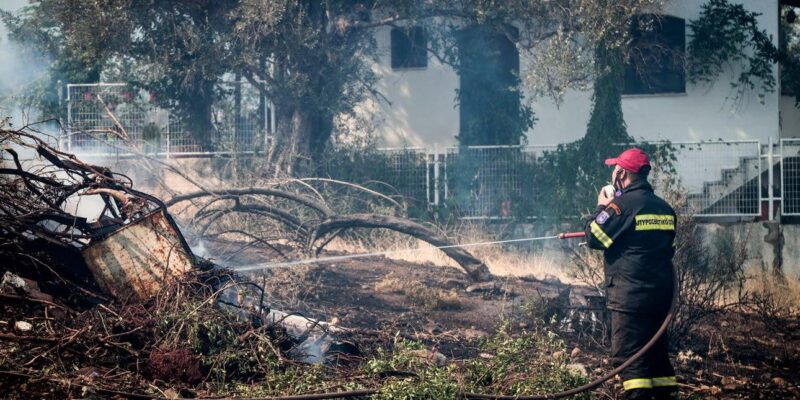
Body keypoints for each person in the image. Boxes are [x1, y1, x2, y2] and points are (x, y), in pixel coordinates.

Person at [583, 148, 678, 400]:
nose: (613, 172)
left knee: (629, 360)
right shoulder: (665, 209)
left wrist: (601, 206)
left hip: (630, 299)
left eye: (615, 168)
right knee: (658, 360)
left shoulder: (621, 207)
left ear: (622, 173)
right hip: (660, 299)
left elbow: (594, 236)